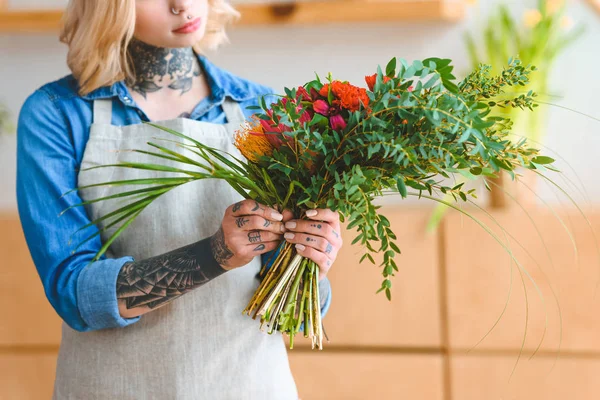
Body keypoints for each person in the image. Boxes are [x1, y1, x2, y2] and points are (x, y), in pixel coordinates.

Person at [15, 1, 342, 398]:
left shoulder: (265, 111)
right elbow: (75, 292)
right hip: (116, 387)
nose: (182, 5)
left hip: (249, 383)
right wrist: (216, 254)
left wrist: (312, 260)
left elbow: (290, 311)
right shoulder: (57, 115)